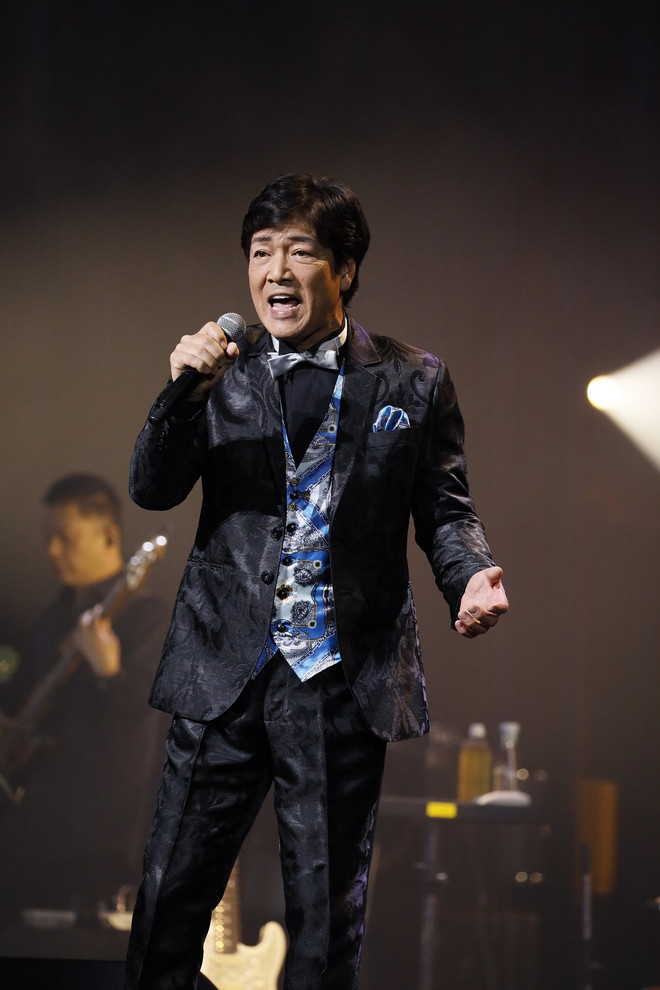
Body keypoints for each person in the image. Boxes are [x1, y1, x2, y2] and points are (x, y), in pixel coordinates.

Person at [124, 172, 509, 990]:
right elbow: (152, 489)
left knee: (325, 932)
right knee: (165, 909)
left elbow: (445, 509)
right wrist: (179, 392)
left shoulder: (413, 379)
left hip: (340, 680)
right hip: (221, 673)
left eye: (299, 252)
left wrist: (470, 576)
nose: (275, 272)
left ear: (345, 268)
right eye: (260, 253)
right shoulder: (220, 373)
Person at [0, 473, 169, 923]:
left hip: (100, 837)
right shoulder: (53, 618)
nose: (52, 551)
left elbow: (149, 717)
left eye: (66, 538)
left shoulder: (147, 617)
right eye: (48, 539)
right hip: (36, 826)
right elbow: (22, 696)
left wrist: (110, 671)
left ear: (109, 536)